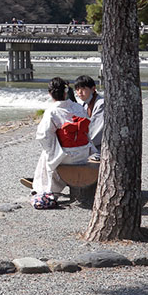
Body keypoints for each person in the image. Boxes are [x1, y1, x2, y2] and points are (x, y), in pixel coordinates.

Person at [26, 77, 91, 207]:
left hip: (66, 155)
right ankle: (47, 186)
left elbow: (43, 135)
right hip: (83, 152)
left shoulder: (52, 111)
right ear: (66, 92)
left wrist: (53, 149)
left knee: (46, 155)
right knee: (53, 154)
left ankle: (45, 190)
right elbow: (87, 129)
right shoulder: (78, 107)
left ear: (50, 94)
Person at [73, 75, 104, 159]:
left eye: (83, 89)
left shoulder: (101, 104)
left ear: (93, 89)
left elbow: (96, 131)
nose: (79, 92)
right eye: (77, 89)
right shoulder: (85, 104)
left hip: (100, 149)